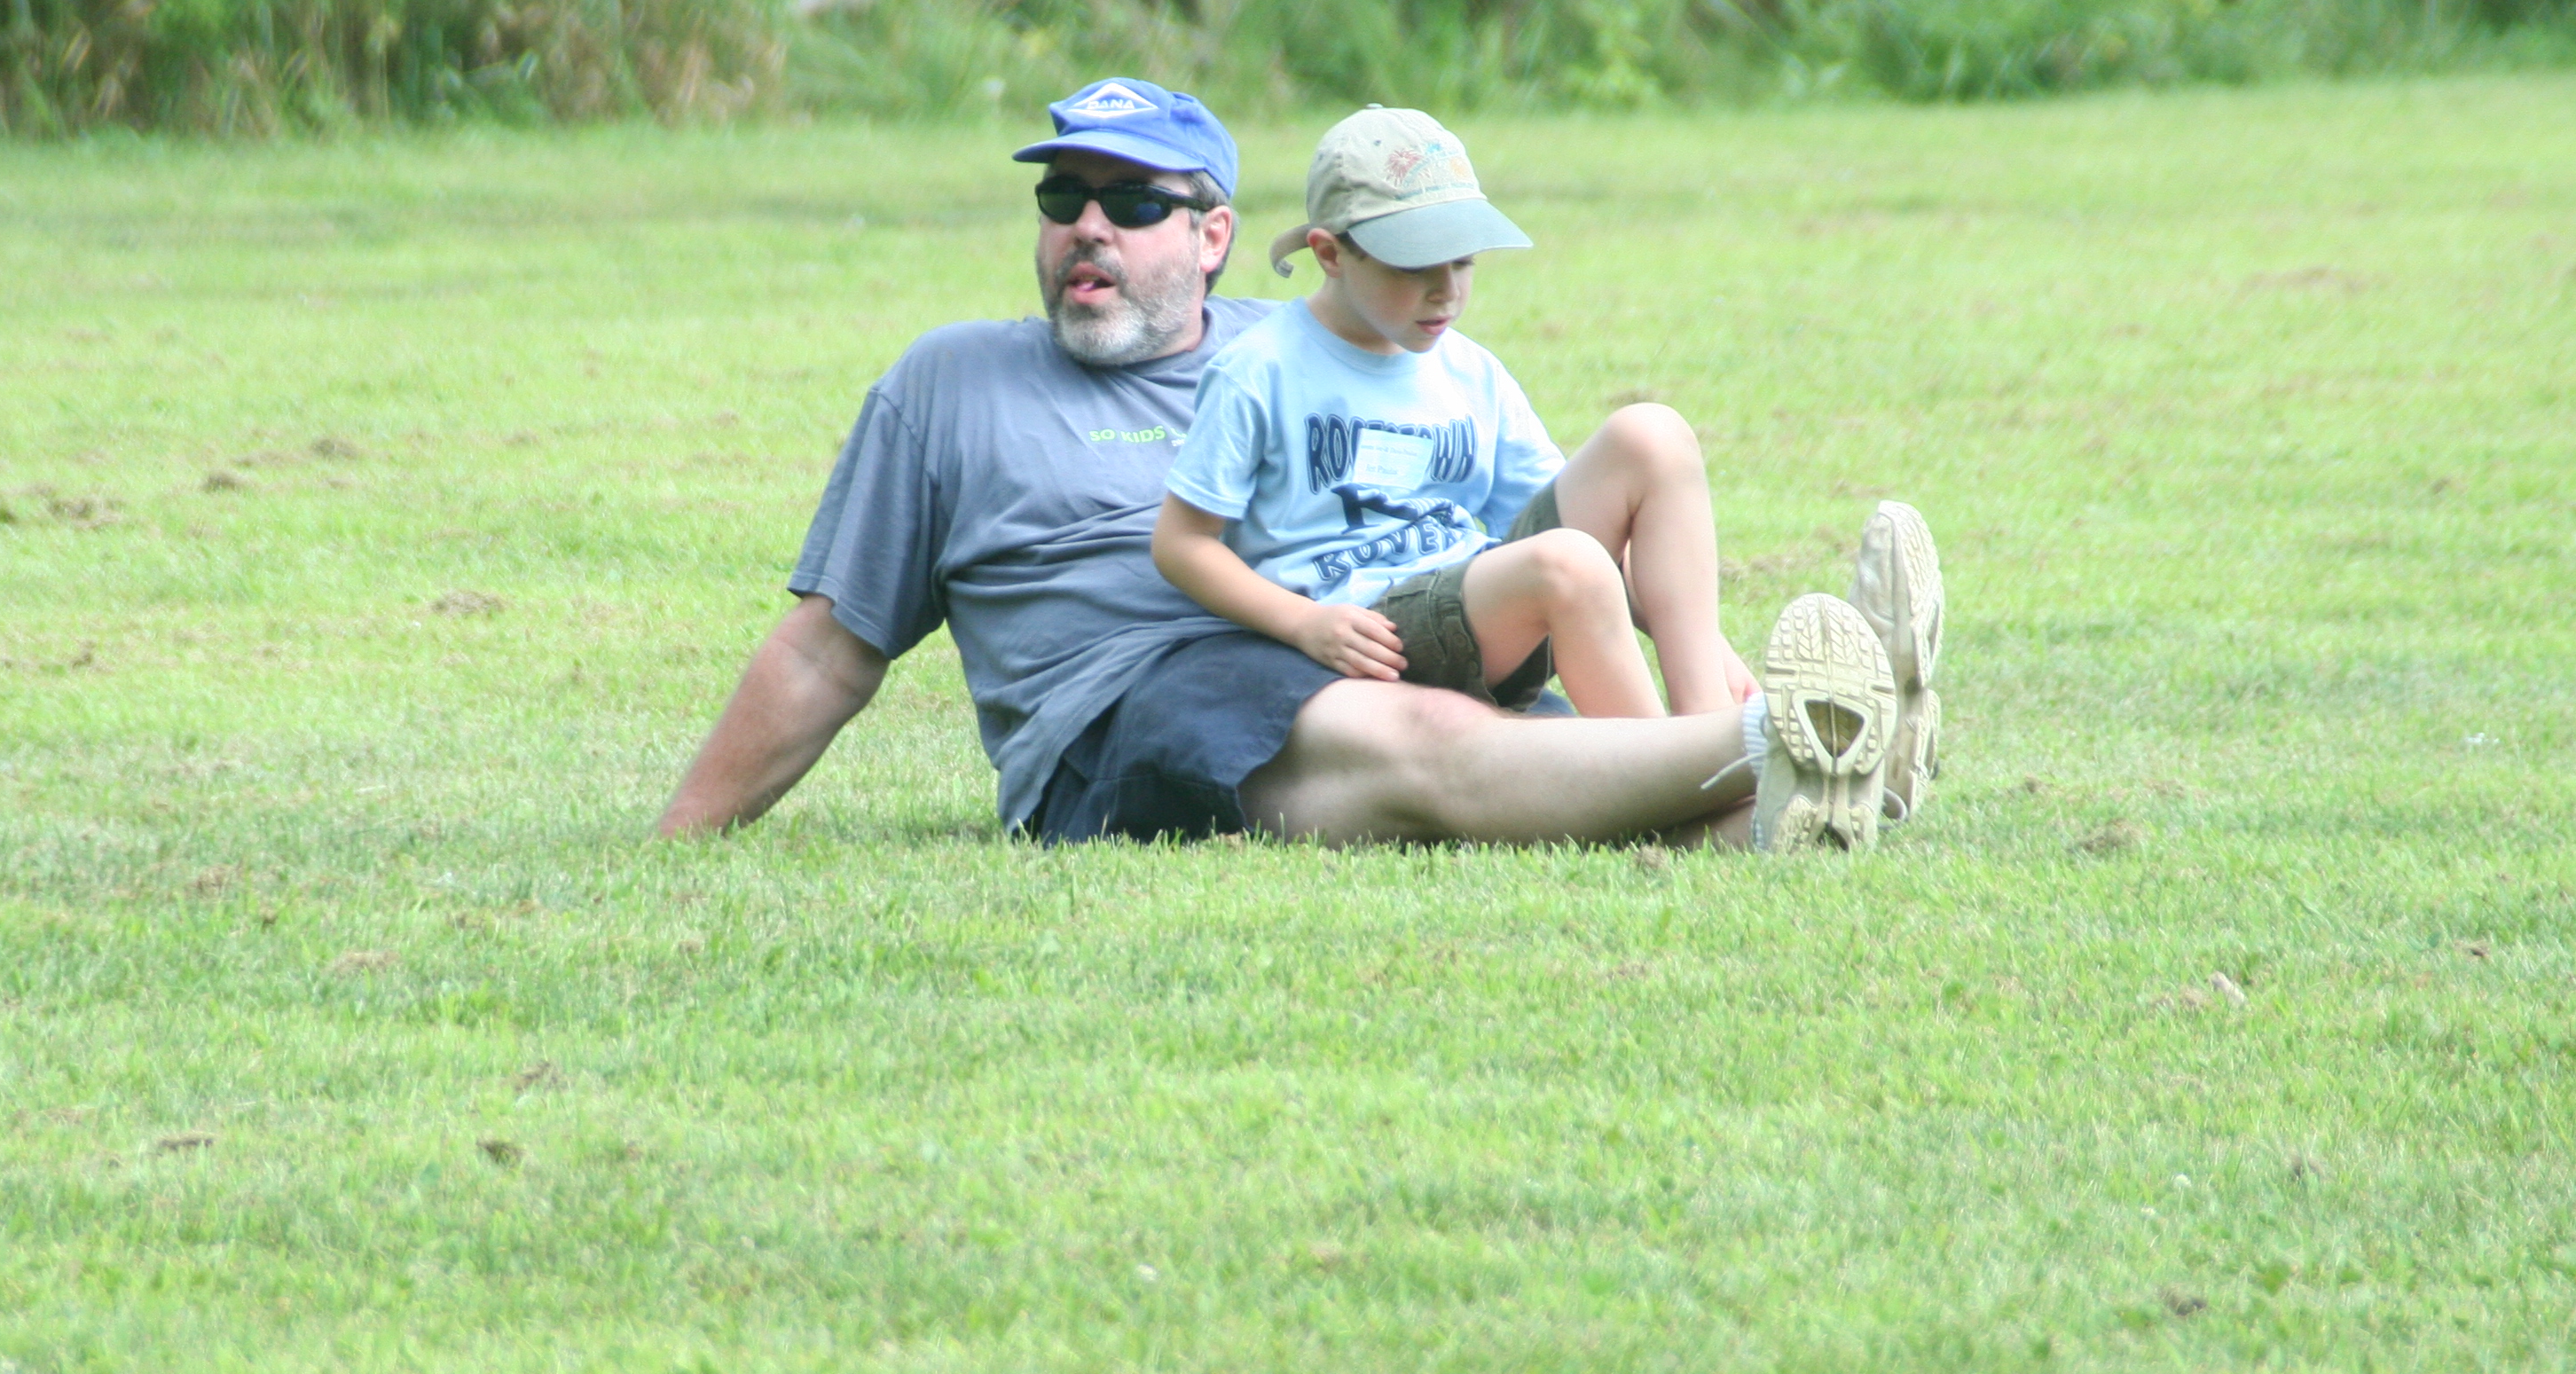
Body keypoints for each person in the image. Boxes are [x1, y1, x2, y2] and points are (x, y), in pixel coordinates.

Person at [656, 76, 1942, 852]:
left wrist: (1676, 621)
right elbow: (826, 653)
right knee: (1427, 738)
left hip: (1393, 631)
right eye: (1063, 201)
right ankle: (1800, 739)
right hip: (1143, 705)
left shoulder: (1328, 342)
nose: (1090, 227)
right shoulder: (949, 384)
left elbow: (1557, 536)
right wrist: (678, 844)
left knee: (1525, 684)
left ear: (1215, 235)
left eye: (1134, 204)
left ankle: (1812, 766)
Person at [1151, 105, 1716, 723]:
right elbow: (1182, 544)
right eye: (1415, 265)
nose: (1446, 290)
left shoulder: (1472, 371)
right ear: (1330, 254)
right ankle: (1682, 769)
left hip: (1487, 605)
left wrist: (1697, 636)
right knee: (1570, 562)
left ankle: (1717, 722)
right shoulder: (1258, 370)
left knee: (1652, 435)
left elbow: (1557, 518)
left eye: (1463, 261)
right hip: (1372, 635)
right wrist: (1304, 623)